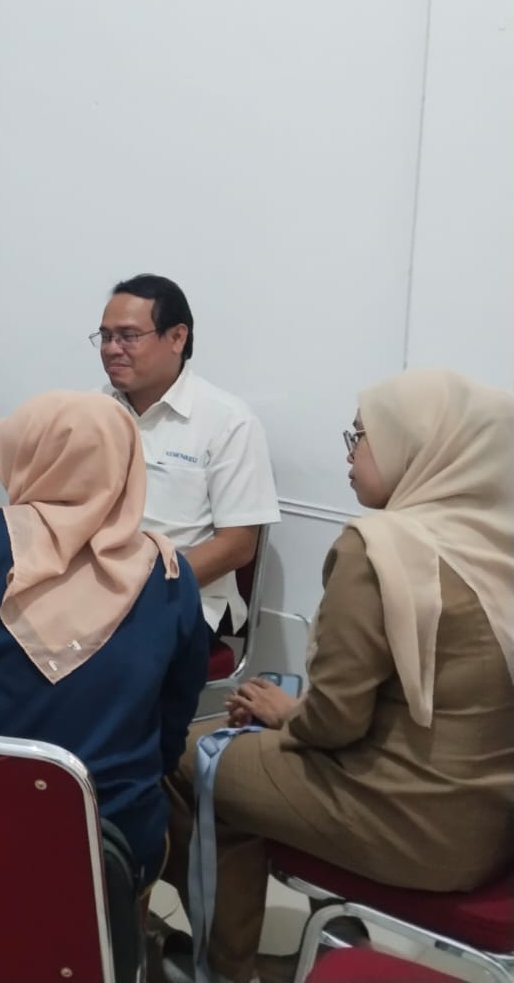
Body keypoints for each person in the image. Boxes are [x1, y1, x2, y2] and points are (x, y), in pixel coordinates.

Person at [159, 369, 514, 983]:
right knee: (243, 756)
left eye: (362, 436)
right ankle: (306, 938)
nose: (349, 454)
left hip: (409, 819)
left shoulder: (379, 550)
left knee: (186, 753)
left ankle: (222, 968)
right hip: (488, 821)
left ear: (416, 446)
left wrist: (286, 715)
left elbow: (336, 722)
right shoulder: (492, 542)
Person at [0, 391, 208, 882]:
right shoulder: (171, 573)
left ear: (31, 457)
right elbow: (174, 719)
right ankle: (119, 930)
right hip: (104, 840)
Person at [96, 274, 280, 635]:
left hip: (179, 595)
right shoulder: (92, 408)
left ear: (177, 337)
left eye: (128, 336)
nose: (112, 349)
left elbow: (238, 545)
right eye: (105, 336)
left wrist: (146, 589)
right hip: (94, 588)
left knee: (96, 653)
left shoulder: (228, 422)